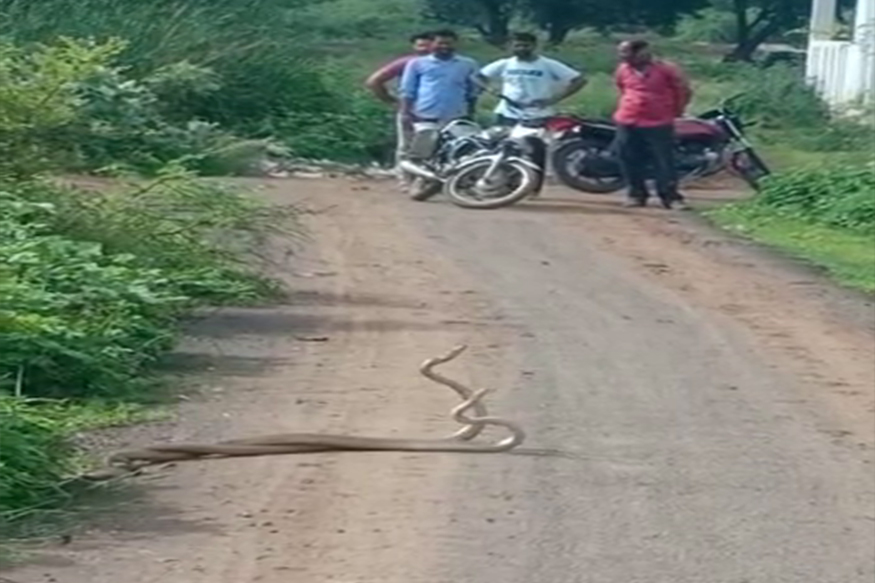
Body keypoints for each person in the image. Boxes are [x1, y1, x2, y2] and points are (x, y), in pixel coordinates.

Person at [613, 39, 693, 210]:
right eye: (621, 52)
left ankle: (670, 197)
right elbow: (621, 88)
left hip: (659, 120)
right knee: (628, 157)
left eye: (627, 52)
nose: (623, 56)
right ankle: (636, 195)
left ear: (642, 52)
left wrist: (676, 111)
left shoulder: (666, 69)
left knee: (664, 160)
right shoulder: (623, 69)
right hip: (628, 119)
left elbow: (683, 91)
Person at [477, 32, 587, 127]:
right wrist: (489, 88)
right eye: (517, 45)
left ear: (534, 46)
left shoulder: (547, 64)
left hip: (539, 113)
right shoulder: (505, 63)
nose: (521, 49)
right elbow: (478, 77)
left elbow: (579, 80)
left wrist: (554, 99)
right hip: (508, 113)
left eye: (526, 45)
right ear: (511, 47)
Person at [365, 32, 435, 173]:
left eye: (428, 46)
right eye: (420, 46)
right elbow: (374, 81)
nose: (424, 49)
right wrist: (391, 101)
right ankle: (403, 177)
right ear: (414, 47)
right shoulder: (406, 63)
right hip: (410, 110)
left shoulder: (450, 65)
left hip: (440, 110)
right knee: (407, 146)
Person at [399, 29, 479, 134]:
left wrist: (471, 113)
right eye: (440, 43)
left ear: (456, 44)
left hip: (457, 117)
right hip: (425, 116)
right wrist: (405, 113)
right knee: (425, 148)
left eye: (449, 43)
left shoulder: (468, 64)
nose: (444, 46)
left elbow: (473, 91)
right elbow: (407, 90)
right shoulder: (416, 63)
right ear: (432, 44)